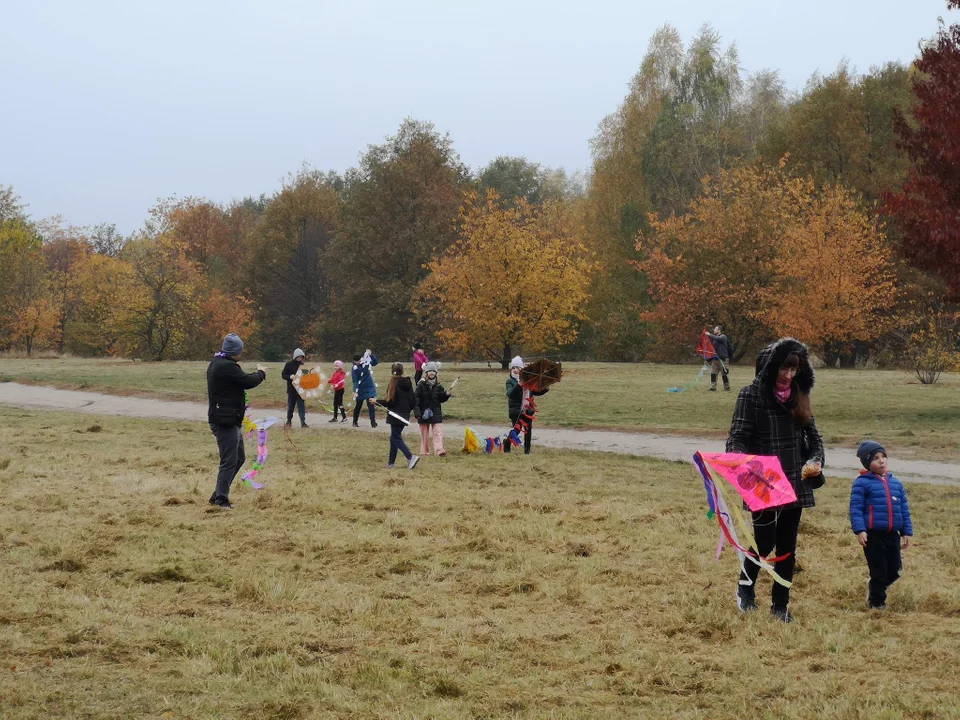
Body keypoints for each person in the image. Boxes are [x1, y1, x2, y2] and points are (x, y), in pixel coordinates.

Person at [726, 338, 825, 623]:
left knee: (787, 548)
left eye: (794, 370)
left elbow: (815, 439)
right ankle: (745, 590)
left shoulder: (800, 396)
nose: (789, 376)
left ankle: (780, 604)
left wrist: (816, 461)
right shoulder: (751, 396)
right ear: (770, 368)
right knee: (764, 543)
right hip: (763, 481)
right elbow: (738, 437)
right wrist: (739, 461)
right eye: (784, 369)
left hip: (796, 480)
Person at [850, 440, 913, 610]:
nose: (881, 461)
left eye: (883, 456)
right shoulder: (861, 483)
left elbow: (904, 509)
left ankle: (875, 586)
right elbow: (856, 509)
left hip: (893, 534)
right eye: (876, 458)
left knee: (895, 570)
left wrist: (906, 531)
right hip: (873, 536)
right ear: (867, 463)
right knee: (879, 571)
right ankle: (877, 604)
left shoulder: (896, 483)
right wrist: (860, 530)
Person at [206, 333, 266, 510]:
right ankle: (221, 500)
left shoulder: (219, 363)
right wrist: (261, 373)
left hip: (229, 418)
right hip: (224, 420)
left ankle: (218, 493)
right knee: (229, 460)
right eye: (240, 350)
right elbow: (248, 381)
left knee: (239, 457)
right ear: (235, 351)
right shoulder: (226, 366)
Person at [504, 356, 549, 455]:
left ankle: (527, 451)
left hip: (528, 410)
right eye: (514, 367)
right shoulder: (510, 382)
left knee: (528, 430)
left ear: (522, 369)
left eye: (518, 368)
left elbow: (535, 392)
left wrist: (545, 387)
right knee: (518, 429)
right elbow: (510, 394)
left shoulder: (528, 380)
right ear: (511, 369)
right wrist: (519, 385)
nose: (516, 370)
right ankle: (507, 442)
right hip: (516, 410)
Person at [383, 363, 420, 469]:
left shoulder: (393, 383)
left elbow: (390, 402)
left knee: (395, 438)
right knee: (394, 438)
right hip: (404, 415)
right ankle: (391, 463)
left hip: (395, 416)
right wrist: (406, 410)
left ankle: (410, 457)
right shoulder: (408, 383)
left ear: (392, 371)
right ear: (402, 371)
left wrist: (376, 402)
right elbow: (413, 401)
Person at [414, 361, 451, 456]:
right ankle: (424, 451)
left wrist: (446, 395)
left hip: (435, 412)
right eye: (429, 371)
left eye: (433, 371)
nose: (431, 373)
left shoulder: (438, 386)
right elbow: (416, 400)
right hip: (423, 413)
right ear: (426, 372)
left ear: (436, 373)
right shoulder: (420, 385)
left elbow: (441, 399)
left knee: (437, 432)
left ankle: (440, 451)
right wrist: (417, 412)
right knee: (424, 434)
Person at [351, 349, 379, 428]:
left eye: (359, 360)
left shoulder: (366, 362)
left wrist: (371, 355)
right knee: (358, 405)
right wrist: (355, 390)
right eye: (356, 361)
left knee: (371, 405)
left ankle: (373, 422)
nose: (358, 362)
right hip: (360, 389)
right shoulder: (354, 368)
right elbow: (355, 380)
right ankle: (355, 421)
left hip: (369, 386)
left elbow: (375, 362)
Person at [281, 348, 308, 428]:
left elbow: (306, 376)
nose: (300, 358)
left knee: (301, 406)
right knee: (291, 406)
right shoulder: (288, 364)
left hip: (301, 390)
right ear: (295, 356)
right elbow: (283, 375)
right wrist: (290, 377)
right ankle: (288, 421)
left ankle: (303, 422)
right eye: (298, 357)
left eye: (301, 357)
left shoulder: (303, 365)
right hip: (291, 389)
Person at [705, 325, 731, 392]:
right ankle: (713, 388)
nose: (714, 330)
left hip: (723, 359)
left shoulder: (723, 337)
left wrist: (709, 334)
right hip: (715, 360)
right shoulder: (715, 340)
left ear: (719, 330)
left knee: (724, 374)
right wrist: (709, 359)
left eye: (715, 329)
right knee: (713, 374)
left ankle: (727, 388)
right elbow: (712, 351)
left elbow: (718, 339)